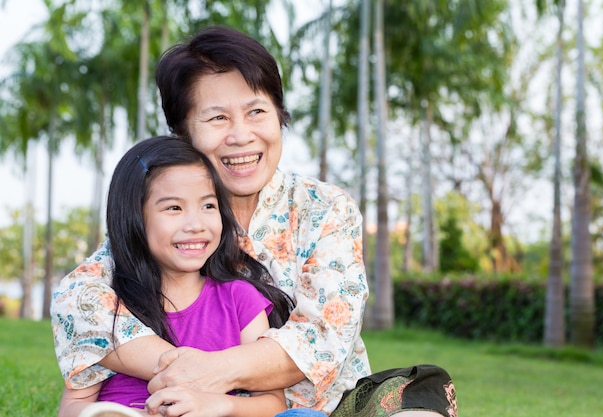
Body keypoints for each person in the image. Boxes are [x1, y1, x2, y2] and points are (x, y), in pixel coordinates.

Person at [51, 25, 457, 417]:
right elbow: (79, 300)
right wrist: (177, 368)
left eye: (256, 111)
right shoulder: (163, 222)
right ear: (181, 134)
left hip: (329, 410)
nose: (241, 135)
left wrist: (210, 371)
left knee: (420, 395)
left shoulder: (326, 207)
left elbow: (323, 339)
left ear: (279, 116)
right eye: (217, 118)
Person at [55, 136, 293, 417]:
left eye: (208, 206)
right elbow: (73, 405)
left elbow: (272, 404)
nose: (195, 225)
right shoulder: (109, 307)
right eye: (174, 208)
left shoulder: (240, 299)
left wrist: (220, 405)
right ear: (134, 218)